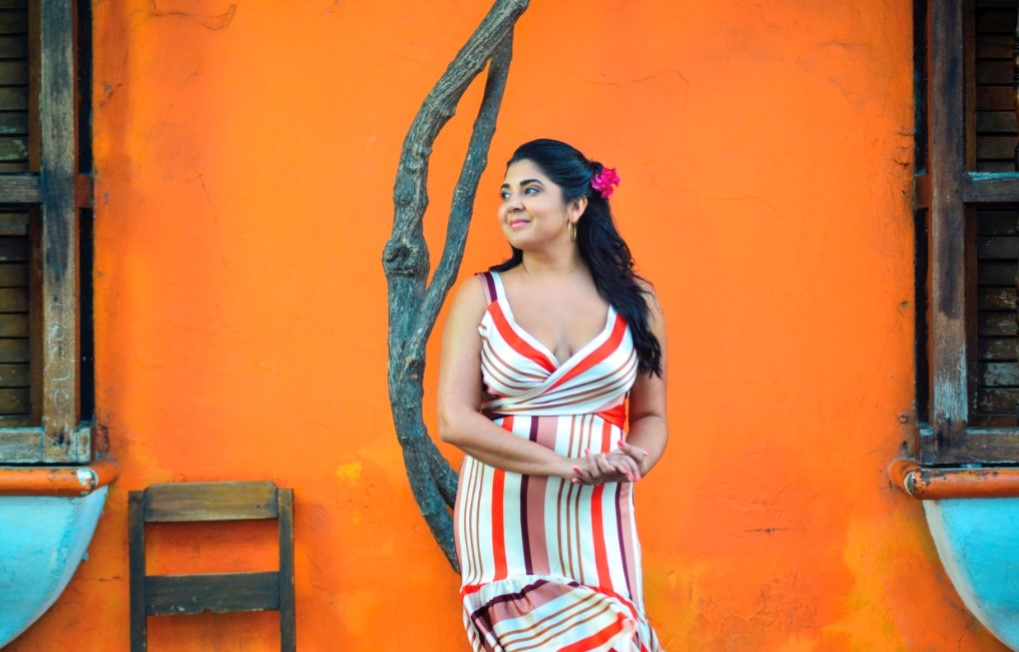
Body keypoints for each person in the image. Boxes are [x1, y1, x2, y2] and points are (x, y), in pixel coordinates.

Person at [437, 138, 667, 652]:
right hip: (503, 517)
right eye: (506, 193)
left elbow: (651, 414)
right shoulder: (481, 296)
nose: (512, 203)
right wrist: (562, 465)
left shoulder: (636, 299)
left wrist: (634, 460)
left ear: (577, 206)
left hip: (598, 515)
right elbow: (453, 420)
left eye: (530, 190)